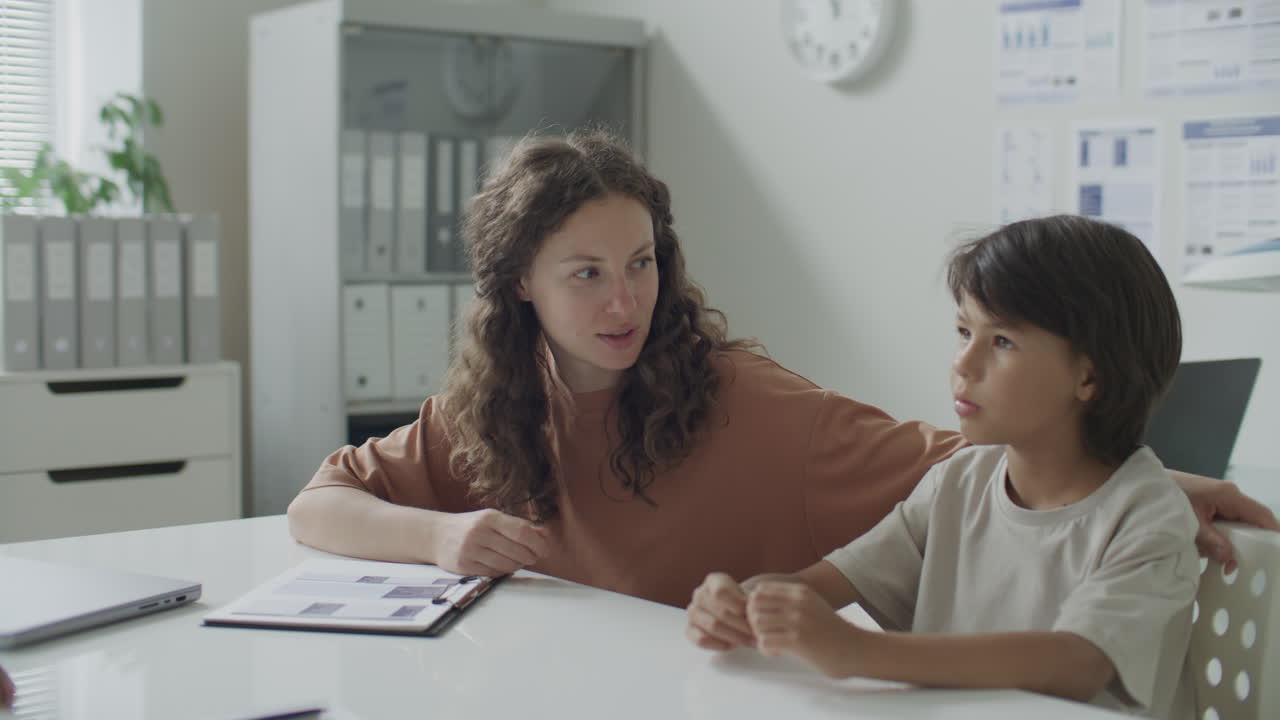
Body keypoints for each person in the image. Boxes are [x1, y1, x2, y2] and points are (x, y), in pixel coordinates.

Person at [288, 130, 1277, 610]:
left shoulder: (747, 405)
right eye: (585, 274)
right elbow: (319, 506)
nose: (624, 302)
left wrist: (1148, 482)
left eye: (641, 264)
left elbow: (972, 467)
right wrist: (442, 535)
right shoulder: (490, 406)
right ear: (519, 285)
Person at [686, 216, 1207, 718]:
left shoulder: (1149, 516)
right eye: (963, 331)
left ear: (1088, 378)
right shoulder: (957, 482)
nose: (963, 363)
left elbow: (1077, 663)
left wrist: (859, 652)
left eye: (1002, 342)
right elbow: (824, 584)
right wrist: (742, 603)